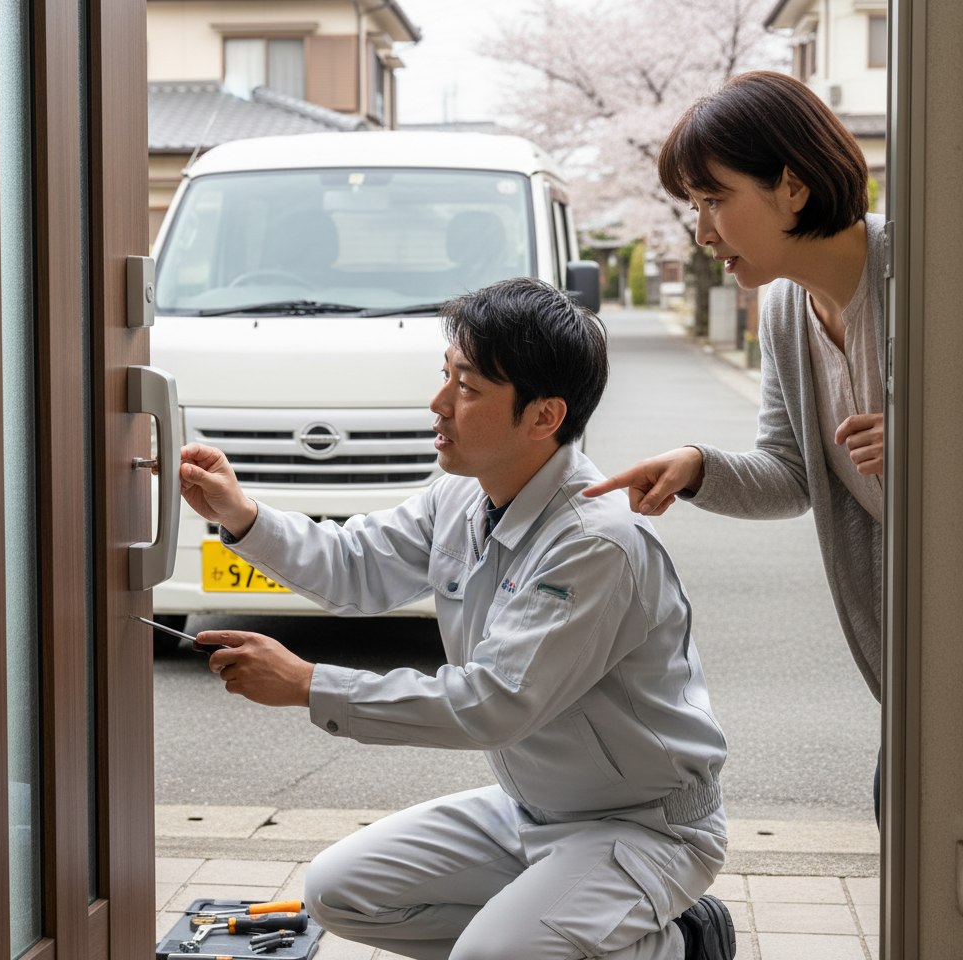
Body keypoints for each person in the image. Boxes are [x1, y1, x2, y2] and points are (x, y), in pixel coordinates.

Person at [179, 278, 736, 960]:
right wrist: (240, 514)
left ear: (543, 416)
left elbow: (493, 703)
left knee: (491, 956)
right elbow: (354, 565)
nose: (438, 402)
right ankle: (557, 929)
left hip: (645, 826)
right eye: (445, 375)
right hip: (531, 809)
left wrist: (307, 684)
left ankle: (684, 943)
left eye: (467, 387)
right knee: (338, 892)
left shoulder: (596, 543)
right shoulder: (463, 496)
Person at [585, 71, 885, 823]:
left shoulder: (929, 269)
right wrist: (697, 467)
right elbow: (792, 473)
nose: (702, 231)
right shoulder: (784, 307)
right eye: (694, 205)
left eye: (715, 200)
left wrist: (938, 447)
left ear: (792, 186)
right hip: (917, 644)